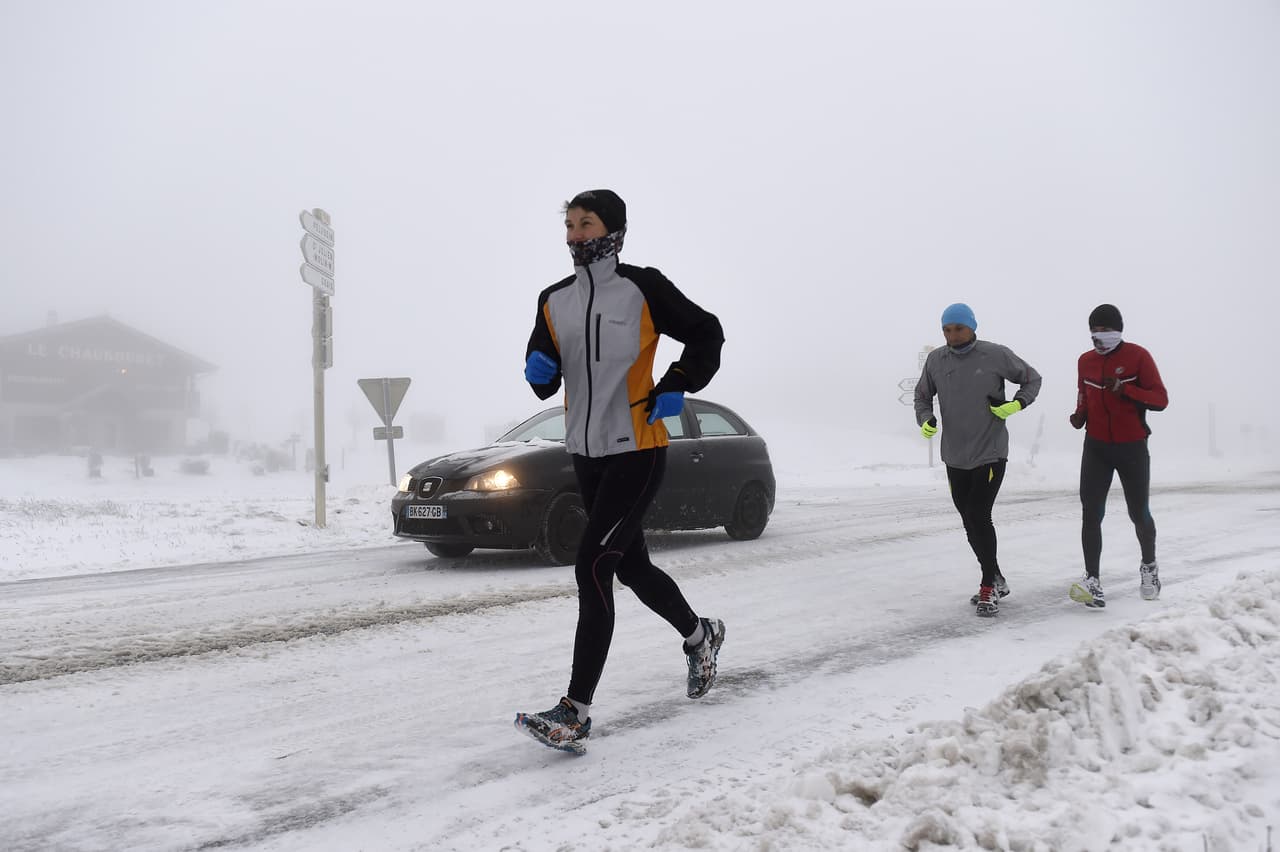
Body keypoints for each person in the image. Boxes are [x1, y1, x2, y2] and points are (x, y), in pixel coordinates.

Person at [514, 189, 727, 753]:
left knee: (592, 567)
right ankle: (701, 636)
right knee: (631, 568)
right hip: (585, 454)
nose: (575, 235)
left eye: (586, 224)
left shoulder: (643, 287)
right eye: (569, 225)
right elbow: (545, 380)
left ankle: (575, 712)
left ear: (613, 229)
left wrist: (678, 382)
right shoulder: (552, 300)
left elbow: (707, 333)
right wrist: (537, 368)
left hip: (637, 446)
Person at [915, 303, 1042, 618]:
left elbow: (1032, 379)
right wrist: (926, 418)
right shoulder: (936, 360)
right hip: (955, 454)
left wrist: (1016, 404)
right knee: (968, 519)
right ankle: (996, 576)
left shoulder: (995, 355)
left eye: (958, 328)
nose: (952, 335)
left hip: (990, 450)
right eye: (946, 329)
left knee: (978, 513)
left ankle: (988, 586)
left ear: (972, 327)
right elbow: (922, 396)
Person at [1067, 304, 1168, 608]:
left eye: (1106, 330)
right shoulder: (1085, 361)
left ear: (1119, 330)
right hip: (1096, 446)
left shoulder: (1138, 356)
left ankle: (1149, 567)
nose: (1100, 335)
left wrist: (1126, 390)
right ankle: (1092, 581)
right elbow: (1083, 394)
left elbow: (1160, 399)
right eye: (1095, 330)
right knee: (1091, 512)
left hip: (1131, 445)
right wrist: (1080, 415)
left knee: (1138, 512)